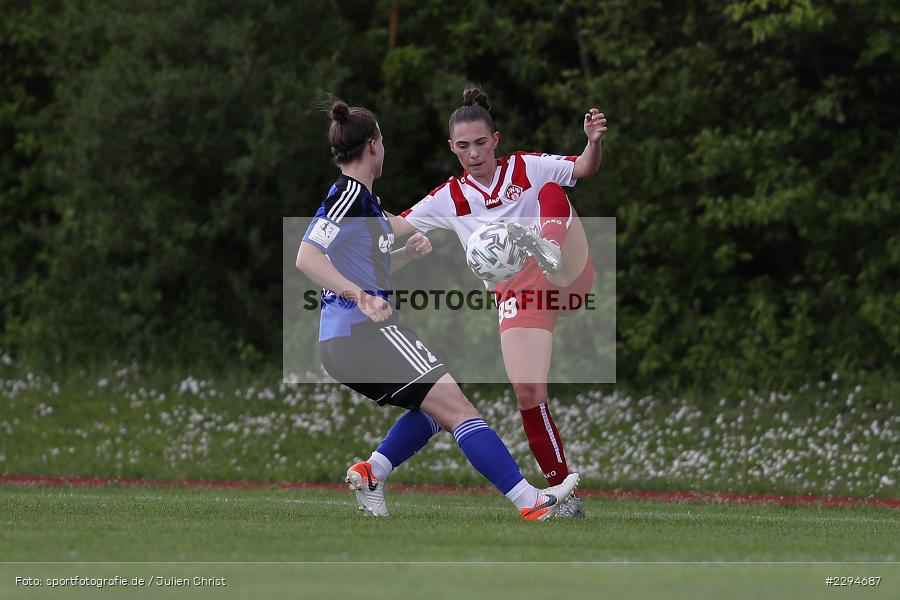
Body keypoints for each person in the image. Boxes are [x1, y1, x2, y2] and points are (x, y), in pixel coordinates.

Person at [295, 97, 578, 520]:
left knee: (435, 410)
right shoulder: (348, 193)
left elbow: (364, 264)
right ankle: (530, 502)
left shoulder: (366, 202)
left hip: (346, 343)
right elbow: (307, 256)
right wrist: (362, 297)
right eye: (384, 142)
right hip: (363, 334)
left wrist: (405, 256)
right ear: (374, 145)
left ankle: (374, 471)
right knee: (461, 410)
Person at [379, 84, 606, 518]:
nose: (474, 153)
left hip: (568, 270)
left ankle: (546, 245)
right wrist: (356, 211)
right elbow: (397, 227)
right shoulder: (449, 196)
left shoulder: (525, 166)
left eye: (481, 143)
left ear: (495, 140)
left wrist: (593, 143)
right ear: (452, 148)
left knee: (550, 190)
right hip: (521, 292)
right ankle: (563, 495)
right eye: (463, 147)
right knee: (527, 392)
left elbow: (583, 168)